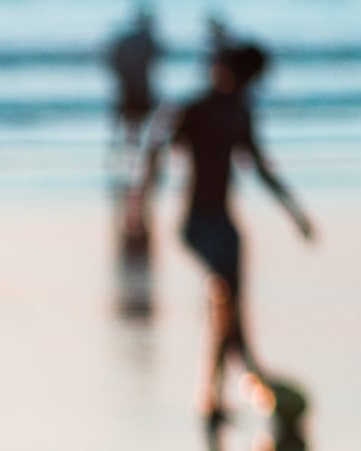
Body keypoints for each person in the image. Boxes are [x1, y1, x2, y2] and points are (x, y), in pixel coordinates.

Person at [133, 40, 315, 417]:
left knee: (228, 306)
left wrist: (294, 211)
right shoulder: (194, 110)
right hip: (199, 223)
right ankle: (241, 378)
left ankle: (221, 391)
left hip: (225, 225)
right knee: (226, 304)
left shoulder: (236, 113)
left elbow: (260, 167)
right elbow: (155, 151)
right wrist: (140, 206)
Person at [105, 3, 162, 153]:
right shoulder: (150, 41)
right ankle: (134, 158)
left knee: (123, 126)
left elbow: (111, 61)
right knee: (141, 127)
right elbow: (155, 66)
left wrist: (122, 77)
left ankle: (116, 158)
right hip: (141, 88)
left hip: (126, 87)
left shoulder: (124, 41)